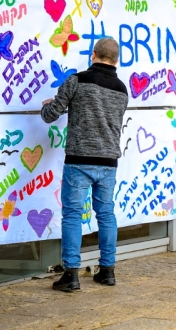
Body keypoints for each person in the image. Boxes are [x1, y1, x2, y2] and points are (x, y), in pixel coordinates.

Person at [40, 38, 129, 292]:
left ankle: (71, 275)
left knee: (72, 216)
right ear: (116, 60)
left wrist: (46, 106)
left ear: (93, 54)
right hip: (109, 162)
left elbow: (51, 115)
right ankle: (108, 271)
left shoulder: (76, 80)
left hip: (79, 161)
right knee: (106, 214)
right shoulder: (122, 90)